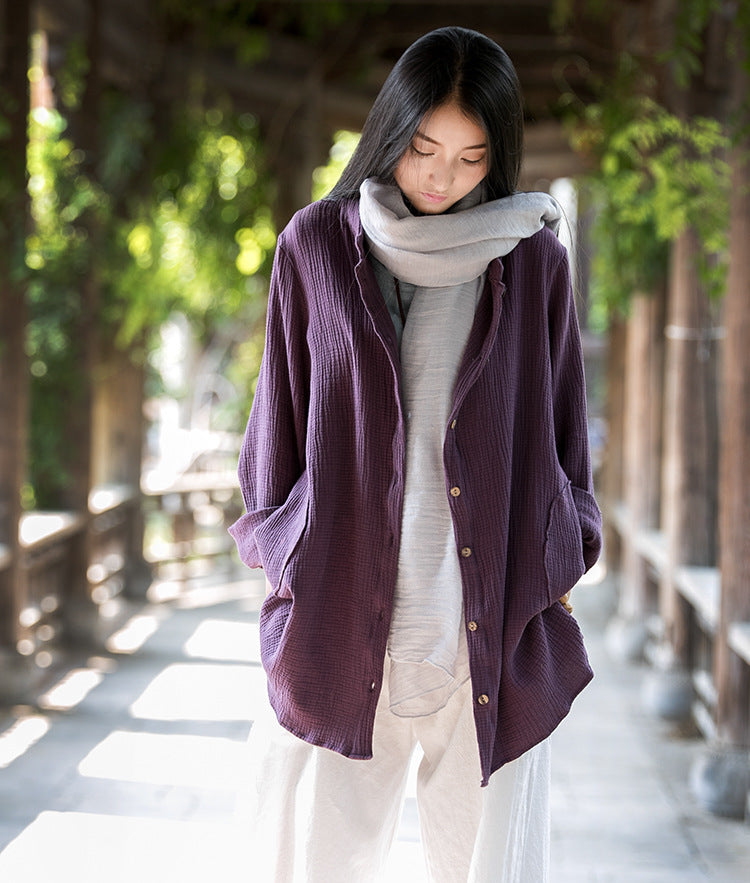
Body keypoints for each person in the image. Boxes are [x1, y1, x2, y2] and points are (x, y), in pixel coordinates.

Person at [230, 25, 602, 883]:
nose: (441, 176)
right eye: (424, 147)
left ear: (497, 157)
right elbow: (273, 439)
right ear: (389, 132)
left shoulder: (534, 259)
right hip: (338, 623)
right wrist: (285, 558)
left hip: (491, 630)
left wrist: (560, 563)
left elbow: (564, 435)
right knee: (314, 866)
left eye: (471, 158)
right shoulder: (315, 247)